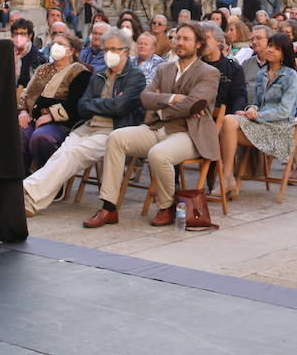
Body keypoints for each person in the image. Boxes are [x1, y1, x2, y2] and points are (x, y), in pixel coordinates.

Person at [84, 23, 221, 227]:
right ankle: (109, 207)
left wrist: (161, 107)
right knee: (116, 138)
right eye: (177, 38)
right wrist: (174, 98)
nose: (180, 43)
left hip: (190, 133)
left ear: (198, 44)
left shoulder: (209, 72)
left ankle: (167, 206)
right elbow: (145, 98)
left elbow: (193, 105)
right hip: (157, 128)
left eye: (186, 39)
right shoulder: (164, 68)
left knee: (159, 154)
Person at [23, 29, 145, 217]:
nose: (109, 53)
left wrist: (99, 104)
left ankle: (26, 190)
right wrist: (107, 104)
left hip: (113, 130)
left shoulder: (135, 76)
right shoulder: (99, 75)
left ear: (126, 51)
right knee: (61, 154)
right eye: (106, 49)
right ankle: (30, 204)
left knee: (74, 155)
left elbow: (121, 108)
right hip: (88, 125)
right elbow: (82, 106)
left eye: (114, 49)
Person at [219, 32, 297, 194]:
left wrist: (258, 115)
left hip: (280, 128)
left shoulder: (290, 76)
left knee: (229, 124)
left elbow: (284, 111)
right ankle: (227, 177)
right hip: (259, 124)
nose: (270, 50)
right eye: (270, 46)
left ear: (284, 53)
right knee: (228, 120)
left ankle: (226, 180)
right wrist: (251, 109)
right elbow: (257, 103)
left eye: (276, 48)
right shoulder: (261, 74)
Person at [18, 33, 90, 172]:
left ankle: (47, 179)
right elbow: (27, 92)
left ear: (71, 50)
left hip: (61, 123)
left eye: (61, 44)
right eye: (54, 43)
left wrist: (51, 115)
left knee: (41, 137)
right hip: (35, 118)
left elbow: (76, 104)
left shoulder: (80, 73)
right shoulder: (43, 69)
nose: (55, 46)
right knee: (20, 133)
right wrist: (23, 111)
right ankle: (21, 177)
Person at [11, 18, 45, 88]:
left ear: (29, 36)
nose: (18, 37)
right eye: (16, 34)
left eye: (22, 34)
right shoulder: (8, 54)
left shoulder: (38, 57)